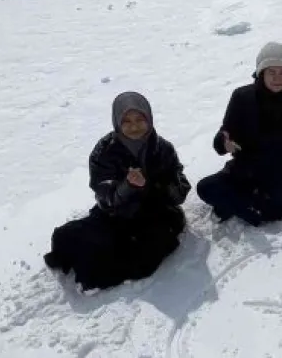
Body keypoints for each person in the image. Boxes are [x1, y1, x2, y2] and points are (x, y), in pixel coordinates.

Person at [43, 92, 191, 291]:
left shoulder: (163, 148)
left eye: (140, 119)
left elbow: (180, 191)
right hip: (116, 214)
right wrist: (126, 187)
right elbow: (104, 197)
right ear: (117, 122)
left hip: (156, 215)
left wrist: (153, 185)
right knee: (66, 236)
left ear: (149, 119)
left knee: (144, 259)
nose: (134, 126)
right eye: (127, 121)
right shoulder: (104, 150)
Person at [196, 42, 282, 226]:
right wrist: (223, 142)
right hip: (245, 170)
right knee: (205, 188)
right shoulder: (242, 97)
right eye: (271, 72)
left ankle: (239, 207)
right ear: (261, 73)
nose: (277, 78)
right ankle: (263, 210)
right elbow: (224, 135)